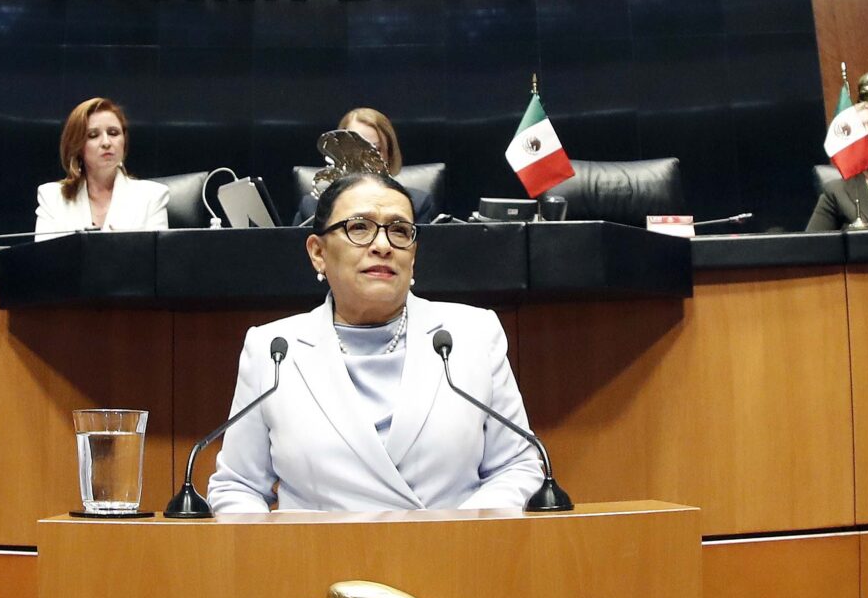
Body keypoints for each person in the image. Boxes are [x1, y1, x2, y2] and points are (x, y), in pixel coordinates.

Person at [206, 170, 544, 513]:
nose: (382, 245)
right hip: (315, 562)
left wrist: (459, 539)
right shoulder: (273, 350)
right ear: (318, 252)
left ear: (413, 255)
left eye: (399, 231)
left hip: (451, 557)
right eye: (360, 227)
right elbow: (239, 486)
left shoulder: (472, 334)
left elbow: (516, 467)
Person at [34, 97, 170, 237]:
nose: (106, 142)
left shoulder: (152, 197)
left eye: (113, 133)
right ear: (77, 146)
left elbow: (157, 258)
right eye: (93, 135)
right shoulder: (52, 198)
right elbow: (45, 258)